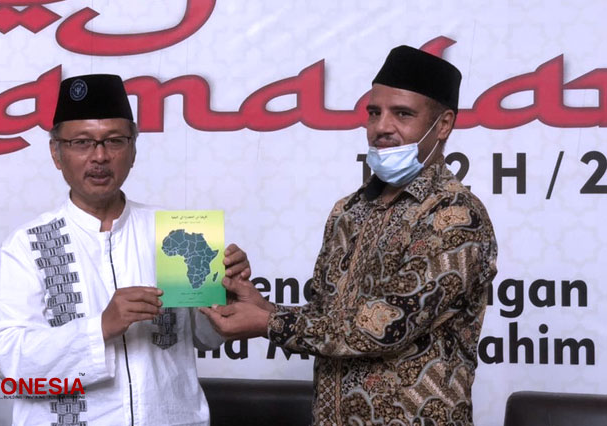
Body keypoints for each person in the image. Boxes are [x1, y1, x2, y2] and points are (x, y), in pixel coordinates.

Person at [201, 46, 498, 425]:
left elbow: (387, 327)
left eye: (403, 114)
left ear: (443, 124)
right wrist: (264, 308)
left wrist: (266, 325)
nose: (382, 127)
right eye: (374, 112)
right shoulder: (349, 210)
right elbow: (332, 322)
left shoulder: (454, 217)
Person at [0, 74, 251, 426]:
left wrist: (227, 293)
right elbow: (8, 361)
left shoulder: (174, 232)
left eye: (114, 141)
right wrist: (101, 327)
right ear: (56, 153)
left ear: (134, 150)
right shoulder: (27, 245)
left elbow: (208, 337)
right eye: (81, 142)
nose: (100, 156)